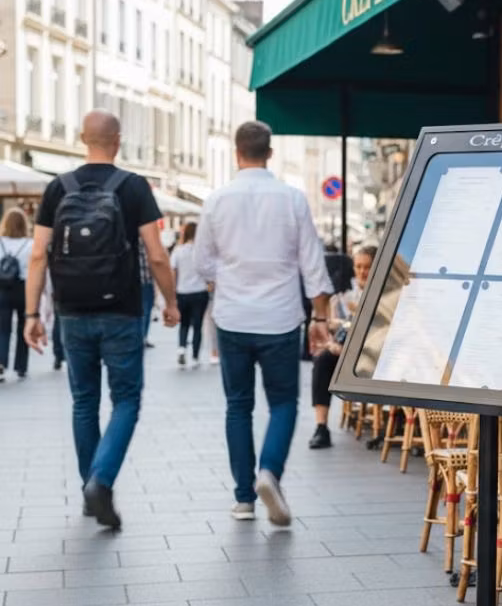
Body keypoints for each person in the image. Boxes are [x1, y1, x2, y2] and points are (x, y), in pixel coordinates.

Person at [23, 109, 179, 529]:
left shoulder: (58, 187)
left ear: (81, 139)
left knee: (84, 401)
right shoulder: (133, 186)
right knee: (126, 399)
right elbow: (157, 254)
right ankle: (101, 480)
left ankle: (89, 488)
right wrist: (170, 302)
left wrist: (33, 313)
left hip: (72, 312)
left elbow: (37, 255)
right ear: (118, 141)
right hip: (122, 310)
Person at [195, 121, 332, 525]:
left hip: (233, 317)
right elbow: (313, 263)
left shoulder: (216, 200)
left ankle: (243, 499)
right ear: (269, 153)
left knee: (238, 405)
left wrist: (229, 277)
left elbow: (202, 262)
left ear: (236, 153)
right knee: (283, 403)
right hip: (280, 318)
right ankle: (269, 471)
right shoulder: (292, 199)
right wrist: (320, 316)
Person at [309, 245, 370, 450]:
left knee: (329, 355)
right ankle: (321, 426)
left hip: (369, 355)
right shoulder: (346, 296)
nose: (362, 272)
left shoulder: (382, 296)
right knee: (322, 360)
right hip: (346, 353)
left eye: (367, 267)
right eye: (358, 267)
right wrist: (334, 341)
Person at [170, 222, 210, 368]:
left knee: (184, 323)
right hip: (200, 291)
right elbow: (208, 270)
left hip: (182, 291)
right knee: (198, 325)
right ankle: (195, 356)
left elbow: (173, 271)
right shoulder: (202, 251)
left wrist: (172, 292)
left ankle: (181, 348)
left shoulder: (178, 251)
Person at [0, 207, 33, 381]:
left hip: (3, 289)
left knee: (2, 329)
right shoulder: (30, 244)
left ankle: (1, 363)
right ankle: (21, 366)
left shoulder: (0, 242)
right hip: (23, 288)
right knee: (23, 327)